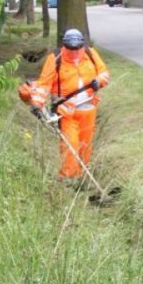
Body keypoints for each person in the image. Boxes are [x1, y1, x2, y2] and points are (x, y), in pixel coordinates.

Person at [19, 29, 110, 182]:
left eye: (77, 48)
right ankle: (68, 179)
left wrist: (99, 81)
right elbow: (43, 84)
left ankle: (81, 178)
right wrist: (36, 104)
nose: (74, 52)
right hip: (67, 112)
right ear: (64, 45)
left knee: (85, 146)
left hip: (89, 109)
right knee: (70, 146)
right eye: (70, 48)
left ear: (82, 44)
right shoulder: (55, 59)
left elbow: (104, 73)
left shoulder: (91, 54)